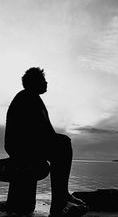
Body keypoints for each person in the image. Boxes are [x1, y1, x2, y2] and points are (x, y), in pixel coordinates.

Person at [4, 67, 88, 217]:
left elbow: (47, 133)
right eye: (43, 80)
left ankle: (61, 197)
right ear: (34, 82)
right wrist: (58, 142)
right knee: (63, 144)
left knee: (61, 144)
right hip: (21, 149)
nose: (46, 82)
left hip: (28, 147)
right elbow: (44, 134)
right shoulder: (26, 98)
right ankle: (60, 200)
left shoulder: (34, 99)